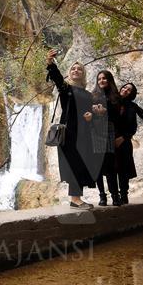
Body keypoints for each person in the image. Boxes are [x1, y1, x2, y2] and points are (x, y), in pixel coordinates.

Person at [46, 49, 97, 209]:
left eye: (79, 69)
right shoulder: (66, 88)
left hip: (84, 134)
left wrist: (91, 116)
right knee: (75, 165)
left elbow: (90, 114)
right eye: (73, 69)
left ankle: (76, 199)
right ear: (70, 73)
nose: (76, 70)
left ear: (83, 74)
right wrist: (50, 63)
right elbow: (57, 77)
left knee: (81, 165)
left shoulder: (88, 95)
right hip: (68, 133)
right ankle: (75, 199)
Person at [114, 81, 143, 204]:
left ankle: (124, 194)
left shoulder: (132, 107)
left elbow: (139, 119)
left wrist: (123, 138)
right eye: (125, 87)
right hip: (110, 140)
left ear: (131, 94)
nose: (125, 90)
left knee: (123, 169)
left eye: (129, 90)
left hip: (124, 141)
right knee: (112, 169)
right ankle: (114, 195)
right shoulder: (112, 102)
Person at [91, 70, 122, 206]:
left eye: (104, 78)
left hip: (109, 131)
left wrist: (105, 111)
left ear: (109, 80)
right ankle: (102, 196)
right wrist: (93, 113)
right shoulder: (93, 96)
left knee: (110, 165)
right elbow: (87, 115)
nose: (101, 81)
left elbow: (117, 117)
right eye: (99, 79)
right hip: (95, 131)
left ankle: (115, 195)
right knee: (97, 166)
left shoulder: (115, 96)